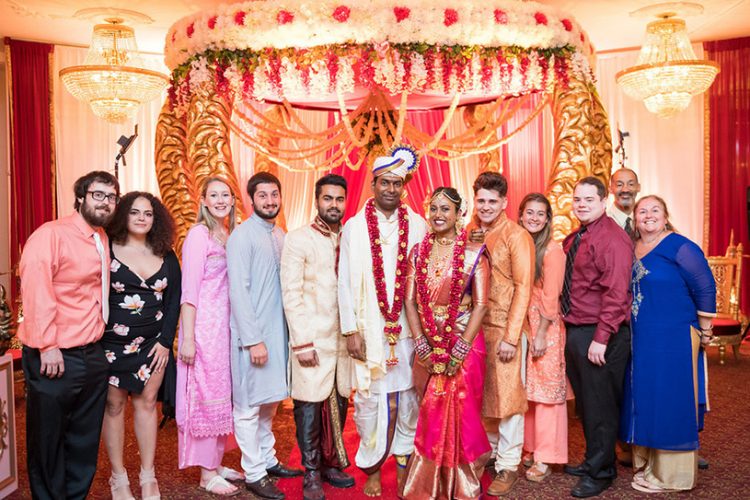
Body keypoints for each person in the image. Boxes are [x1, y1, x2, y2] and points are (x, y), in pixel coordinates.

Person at [19, 171, 119, 499]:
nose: (106, 202)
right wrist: (47, 345)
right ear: (81, 197)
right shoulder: (51, 235)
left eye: (112, 197)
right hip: (55, 355)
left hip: (92, 354)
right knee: (48, 440)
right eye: (98, 195)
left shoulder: (100, 238)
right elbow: (36, 290)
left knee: (83, 439)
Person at [338, 145, 427, 496]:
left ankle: (403, 462)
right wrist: (350, 329)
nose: (391, 189)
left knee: (408, 399)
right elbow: (344, 280)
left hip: (407, 327)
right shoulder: (355, 228)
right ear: (373, 184)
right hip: (369, 327)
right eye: (384, 182)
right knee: (369, 402)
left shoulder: (418, 225)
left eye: (397, 183)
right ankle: (372, 466)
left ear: (404, 186)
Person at [619, 195, 716, 493]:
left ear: (665, 215)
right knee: (648, 397)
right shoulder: (632, 247)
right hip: (644, 337)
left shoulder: (680, 246)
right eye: (642, 211)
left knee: (671, 399)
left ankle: (672, 476)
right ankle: (653, 465)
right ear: (635, 218)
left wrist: (706, 329)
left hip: (674, 337)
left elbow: (705, 285)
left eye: (654, 210)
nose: (648, 216)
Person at [400, 187, 491, 499]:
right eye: (434, 208)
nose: (439, 215)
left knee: (462, 411)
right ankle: (428, 480)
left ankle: (461, 479)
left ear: (458, 215)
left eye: (446, 209)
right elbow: (409, 301)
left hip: (464, 337)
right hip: (428, 338)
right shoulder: (416, 252)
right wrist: (421, 343)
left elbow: (480, 305)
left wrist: (461, 348)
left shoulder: (474, 253)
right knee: (431, 412)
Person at [101, 192, 181, 500]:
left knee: (147, 405)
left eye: (148, 214)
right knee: (114, 406)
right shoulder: (106, 247)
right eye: (134, 212)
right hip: (111, 343)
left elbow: (174, 300)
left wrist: (165, 342)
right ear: (123, 215)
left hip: (153, 346)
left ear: (155, 218)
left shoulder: (166, 252)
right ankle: (118, 478)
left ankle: (148, 476)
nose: (141, 218)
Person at [227, 172, 301, 500]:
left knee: (269, 402)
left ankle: (268, 460)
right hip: (252, 338)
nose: (270, 201)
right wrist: (252, 340)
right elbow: (238, 292)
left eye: (274, 194)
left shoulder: (280, 234)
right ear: (251, 199)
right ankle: (254, 472)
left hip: (276, 334)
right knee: (247, 407)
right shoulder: (242, 237)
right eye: (263, 196)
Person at [281, 174, 355, 500]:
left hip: (343, 341)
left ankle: (330, 464)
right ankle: (311, 472)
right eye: (328, 199)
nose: (334, 205)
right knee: (309, 407)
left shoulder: (350, 239)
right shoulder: (299, 239)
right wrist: (302, 342)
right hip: (312, 340)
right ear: (316, 200)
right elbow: (291, 294)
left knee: (338, 402)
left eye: (339, 199)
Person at [561, 176, 633, 498]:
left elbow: (617, 294)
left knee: (601, 405)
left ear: (604, 201)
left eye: (589, 199)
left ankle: (602, 471)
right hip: (579, 330)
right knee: (588, 405)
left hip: (601, 333)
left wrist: (601, 337)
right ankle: (595, 460)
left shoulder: (612, 239)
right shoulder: (580, 235)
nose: (581, 204)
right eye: (577, 199)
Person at [466, 172, 534, 496]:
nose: (487, 206)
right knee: (484, 397)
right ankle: (489, 455)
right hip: (476, 329)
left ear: (505, 202)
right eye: (482, 200)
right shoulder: (471, 231)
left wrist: (511, 336)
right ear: (475, 200)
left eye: (493, 201)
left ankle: (508, 465)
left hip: (506, 328)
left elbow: (523, 288)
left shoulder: (517, 235)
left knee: (509, 400)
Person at [176, 177, 241, 496]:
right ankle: (205, 472)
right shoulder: (198, 235)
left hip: (225, 328)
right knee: (204, 394)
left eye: (224, 195)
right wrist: (187, 337)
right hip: (203, 328)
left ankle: (215, 462)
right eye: (213, 195)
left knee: (222, 394)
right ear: (202, 200)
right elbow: (189, 290)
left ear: (232, 200)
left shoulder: (227, 233)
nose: (219, 200)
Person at [517, 194, 568, 483]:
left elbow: (551, 297)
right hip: (524, 325)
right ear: (521, 215)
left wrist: (540, 334)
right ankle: (531, 446)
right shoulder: (524, 245)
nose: (534, 218)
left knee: (548, 394)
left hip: (545, 328)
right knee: (529, 392)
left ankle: (547, 456)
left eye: (540, 214)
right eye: (529, 213)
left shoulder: (552, 250)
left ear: (548, 219)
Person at [607, 168, 640, 235]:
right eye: (619, 185)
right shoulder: (601, 222)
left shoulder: (647, 220)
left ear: (638, 187)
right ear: (610, 189)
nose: (625, 190)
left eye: (631, 184)